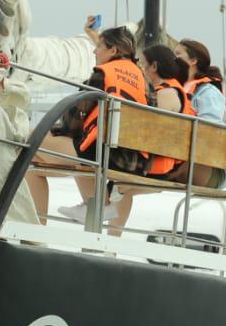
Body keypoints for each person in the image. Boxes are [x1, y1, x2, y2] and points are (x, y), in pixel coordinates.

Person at [29, 25, 145, 224]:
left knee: (29, 139)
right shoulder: (140, 77)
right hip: (130, 156)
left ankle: (95, 206)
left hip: (102, 153)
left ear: (113, 50)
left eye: (99, 45)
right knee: (32, 166)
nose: (94, 50)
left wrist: (56, 130)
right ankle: (91, 205)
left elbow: (76, 116)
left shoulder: (102, 74)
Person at [102, 44, 195, 234]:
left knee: (108, 171)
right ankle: (110, 237)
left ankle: (101, 222)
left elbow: (147, 130)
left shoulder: (165, 93)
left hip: (160, 166)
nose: (140, 69)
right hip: (163, 163)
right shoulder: (170, 89)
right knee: (118, 184)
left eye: (142, 64)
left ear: (153, 66)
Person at [174, 38, 226, 122]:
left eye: (177, 54)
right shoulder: (176, 86)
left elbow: (211, 126)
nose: (173, 58)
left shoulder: (208, 92)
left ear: (193, 61)